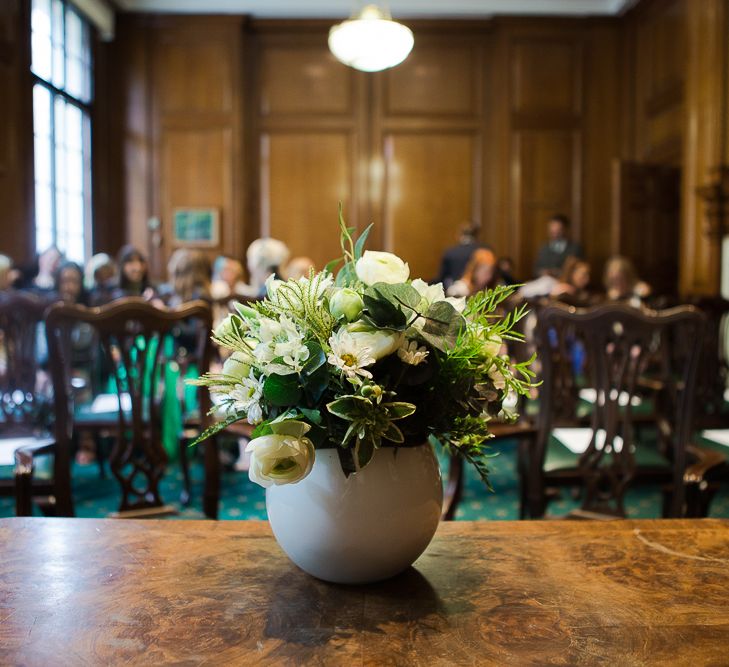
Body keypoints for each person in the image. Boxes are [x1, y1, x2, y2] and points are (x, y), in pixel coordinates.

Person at [435, 222, 488, 289]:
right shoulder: (486, 251)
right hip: (480, 294)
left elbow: (441, 278)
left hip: (454, 293)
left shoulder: (450, 252)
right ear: (478, 235)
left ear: (460, 234)